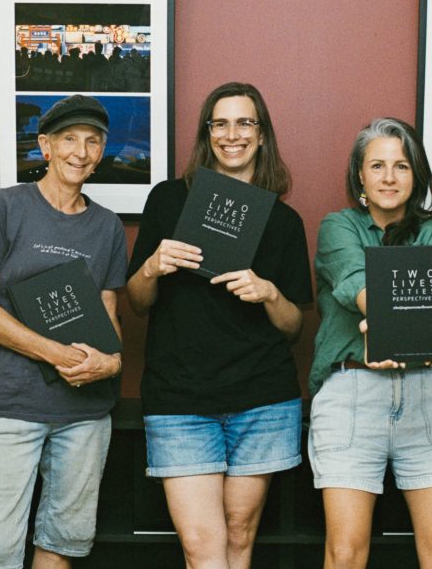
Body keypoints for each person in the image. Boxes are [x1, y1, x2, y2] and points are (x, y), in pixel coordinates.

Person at [126, 82, 312, 569]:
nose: (233, 134)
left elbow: (294, 326)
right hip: (180, 396)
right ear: (207, 134)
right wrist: (151, 266)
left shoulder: (284, 221)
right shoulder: (168, 200)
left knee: (239, 536)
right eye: (221, 123)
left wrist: (269, 292)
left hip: (263, 398)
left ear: (262, 134)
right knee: (200, 545)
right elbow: (137, 302)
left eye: (245, 123)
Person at [0, 94, 127, 569]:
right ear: (46, 146)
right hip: (13, 405)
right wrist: (57, 353)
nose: (81, 151)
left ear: (101, 151)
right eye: (69, 139)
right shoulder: (4, 207)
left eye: (92, 141)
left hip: (87, 411)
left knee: (66, 539)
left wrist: (111, 363)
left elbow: (109, 317)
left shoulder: (108, 227)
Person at [309, 117, 432, 569]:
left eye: (401, 166)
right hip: (353, 396)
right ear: (359, 174)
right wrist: (413, 324)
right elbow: (358, 286)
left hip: (429, 393)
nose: (388, 177)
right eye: (376, 165)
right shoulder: (337, 227)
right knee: (345, 553)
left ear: (415, 173)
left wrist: (397, 326)